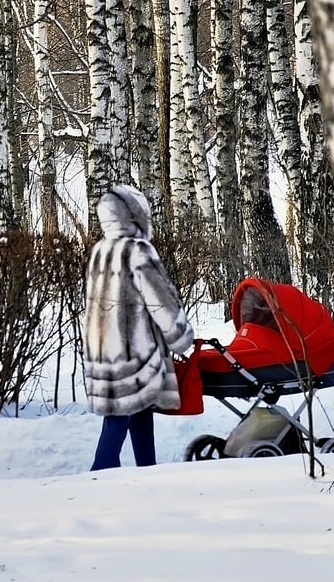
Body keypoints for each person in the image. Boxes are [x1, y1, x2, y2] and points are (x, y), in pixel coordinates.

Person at [83, 184, 195, 470]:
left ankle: (148, 469)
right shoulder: (138, 251)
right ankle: (99, 473)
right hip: (135, 349)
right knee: (120, 414)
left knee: (141, 410)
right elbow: (161, 302)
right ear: (135, 215)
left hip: (105, 347)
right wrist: (180, 336)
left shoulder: (101, 250)